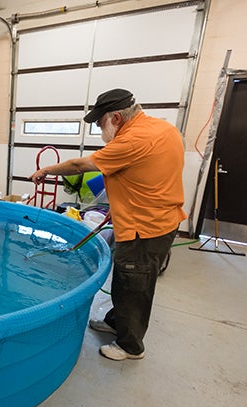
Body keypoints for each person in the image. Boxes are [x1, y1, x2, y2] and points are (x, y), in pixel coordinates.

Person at [29, 88, 186, 361]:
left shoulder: (132, 140)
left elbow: (80, 165)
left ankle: (130, 346)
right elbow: (145, 177)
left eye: (100, 122)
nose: (100, 129)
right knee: (129, 280)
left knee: (133, 284)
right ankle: (117, 321)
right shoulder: (162, 128)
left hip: (145, 228)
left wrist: (45, 170)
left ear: (116, 117)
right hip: (158, 219)